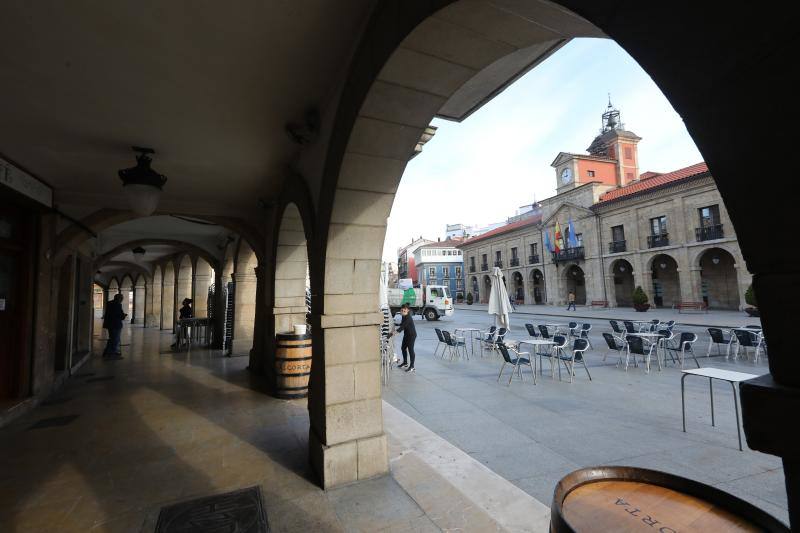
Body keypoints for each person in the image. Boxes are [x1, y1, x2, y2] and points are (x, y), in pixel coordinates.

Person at [396, 303, 417, 373]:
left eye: (404, 311)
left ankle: (412, 366)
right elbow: (402, 324)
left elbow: (402, 327)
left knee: (411, 350)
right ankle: (405, 363)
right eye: (401, 310)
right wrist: (396, 324)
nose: (402, 312)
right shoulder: (403, 316)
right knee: (403, 348)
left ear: (407, 310)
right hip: (406, 335)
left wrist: (393, 333)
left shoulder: (408, 317)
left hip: (411, 335)